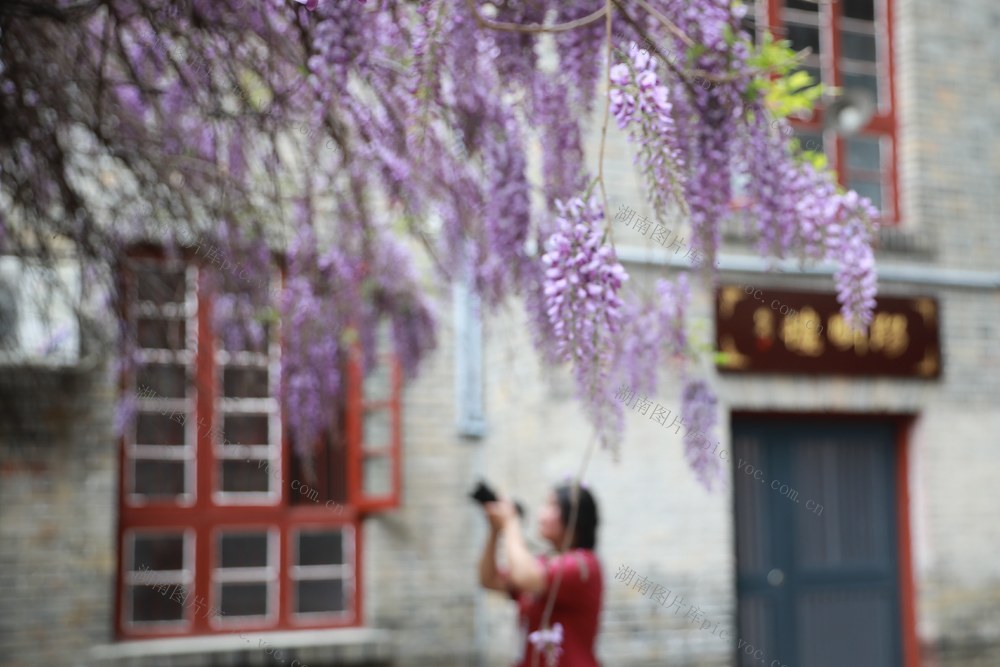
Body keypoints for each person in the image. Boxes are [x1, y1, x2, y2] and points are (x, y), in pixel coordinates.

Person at [478, 483, 603, 667]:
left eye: (551, 505)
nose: (541, 513)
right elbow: (489, 579)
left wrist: (511, 523)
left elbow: (525, 577)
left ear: (575, 516)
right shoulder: (543, 564)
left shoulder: (583, 565)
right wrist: (495, 531)